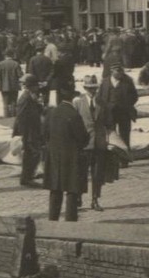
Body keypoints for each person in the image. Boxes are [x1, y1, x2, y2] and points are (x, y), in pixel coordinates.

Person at [41, 93, 89, 222]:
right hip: (72, 158)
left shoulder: (51, 113)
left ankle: (52, 220)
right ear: (73, 99)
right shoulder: (74, 115)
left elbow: (44, 134)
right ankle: (70, 222)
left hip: (54, 157)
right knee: (72, 190)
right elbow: (83, 138)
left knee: (55, 189)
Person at [73, 73, 109, 211]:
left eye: (94, 88)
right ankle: (79, 198)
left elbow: (107, 122)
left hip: (99, 143)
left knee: (97, 174)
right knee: (81, 172)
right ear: (85, 88)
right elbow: (75, 123)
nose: (92, 91)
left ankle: (95, 199)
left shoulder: (102, 103)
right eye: (89, 88)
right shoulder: (78, 102)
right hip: (84, 143)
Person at [15, 75, 46, 186]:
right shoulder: (25, 98)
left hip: (33, 131)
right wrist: (25, 135)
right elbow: (21, 118)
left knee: (33, 154)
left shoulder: (31, 96)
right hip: (29, 132)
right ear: (31, 86)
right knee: (31, 154)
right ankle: (27, 178)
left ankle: (28, 176)